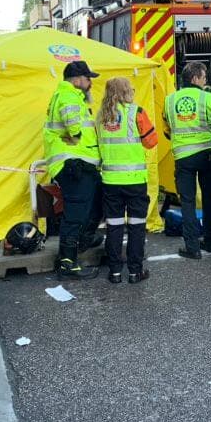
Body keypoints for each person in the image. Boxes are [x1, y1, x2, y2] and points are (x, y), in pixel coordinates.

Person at [43, 60, 104, 280]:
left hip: (79, 164)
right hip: (73, 164)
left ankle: (84, 240)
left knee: (96, 202)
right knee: (76, 214)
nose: (90, 84)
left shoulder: (68, 95)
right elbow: (74, 129)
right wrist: (75, 136)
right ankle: (68, 261)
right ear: (78, 80)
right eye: (88, 79)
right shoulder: (69, 96)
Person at [97, 77, 158, 284]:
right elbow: (152, 142)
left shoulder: (101, 116)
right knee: (136, 226)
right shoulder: (136, 112)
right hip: (134, 181)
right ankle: (134, 272)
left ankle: (114, 272)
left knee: (113, 227)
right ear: (125, 92)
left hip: (110, 181)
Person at [163, 62, 211, 260]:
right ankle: (210, 242)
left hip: (183, 157)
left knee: (187, 201)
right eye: (204, 78)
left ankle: (192, 247)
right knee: (210, 198)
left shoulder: (170, 101)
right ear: (195, 78)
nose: (205, 82)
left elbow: (166, 130)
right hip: (207, 154)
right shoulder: (209, 98)